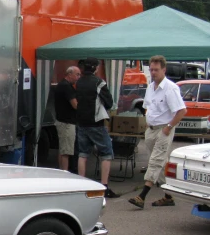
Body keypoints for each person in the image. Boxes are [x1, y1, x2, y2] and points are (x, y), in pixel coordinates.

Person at [128, 55, 187, 209]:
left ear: (164, 70)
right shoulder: (150, 87)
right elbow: (147, 106)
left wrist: (168, 127)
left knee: (155, 161)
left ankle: (142, 196)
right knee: (161, 163)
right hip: (152, 129)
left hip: (164, 129)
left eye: (156, 70)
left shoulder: (170, 88)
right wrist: (147, 121)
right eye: (151, 69)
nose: (153, 72)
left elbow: (181, 111)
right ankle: (168, 195)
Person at [75, 58, 119, 198]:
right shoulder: (99, 82)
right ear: (95, 68)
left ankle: (81, 184)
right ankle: (104, 186)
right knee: (106, 153)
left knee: (83, 153)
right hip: (96, 122)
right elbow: (109, 102)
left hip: (81, 122)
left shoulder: (79, 81)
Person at [54, 66, 80, 170]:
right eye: (77, 74)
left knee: (63, 149)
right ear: (69, 74)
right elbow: (75, 105)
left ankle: (61, 171)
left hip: (61, 121)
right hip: (67, 123)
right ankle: (65, 173)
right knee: (66, 151)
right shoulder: (66, 87)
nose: (78, 77)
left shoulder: (62, 85)